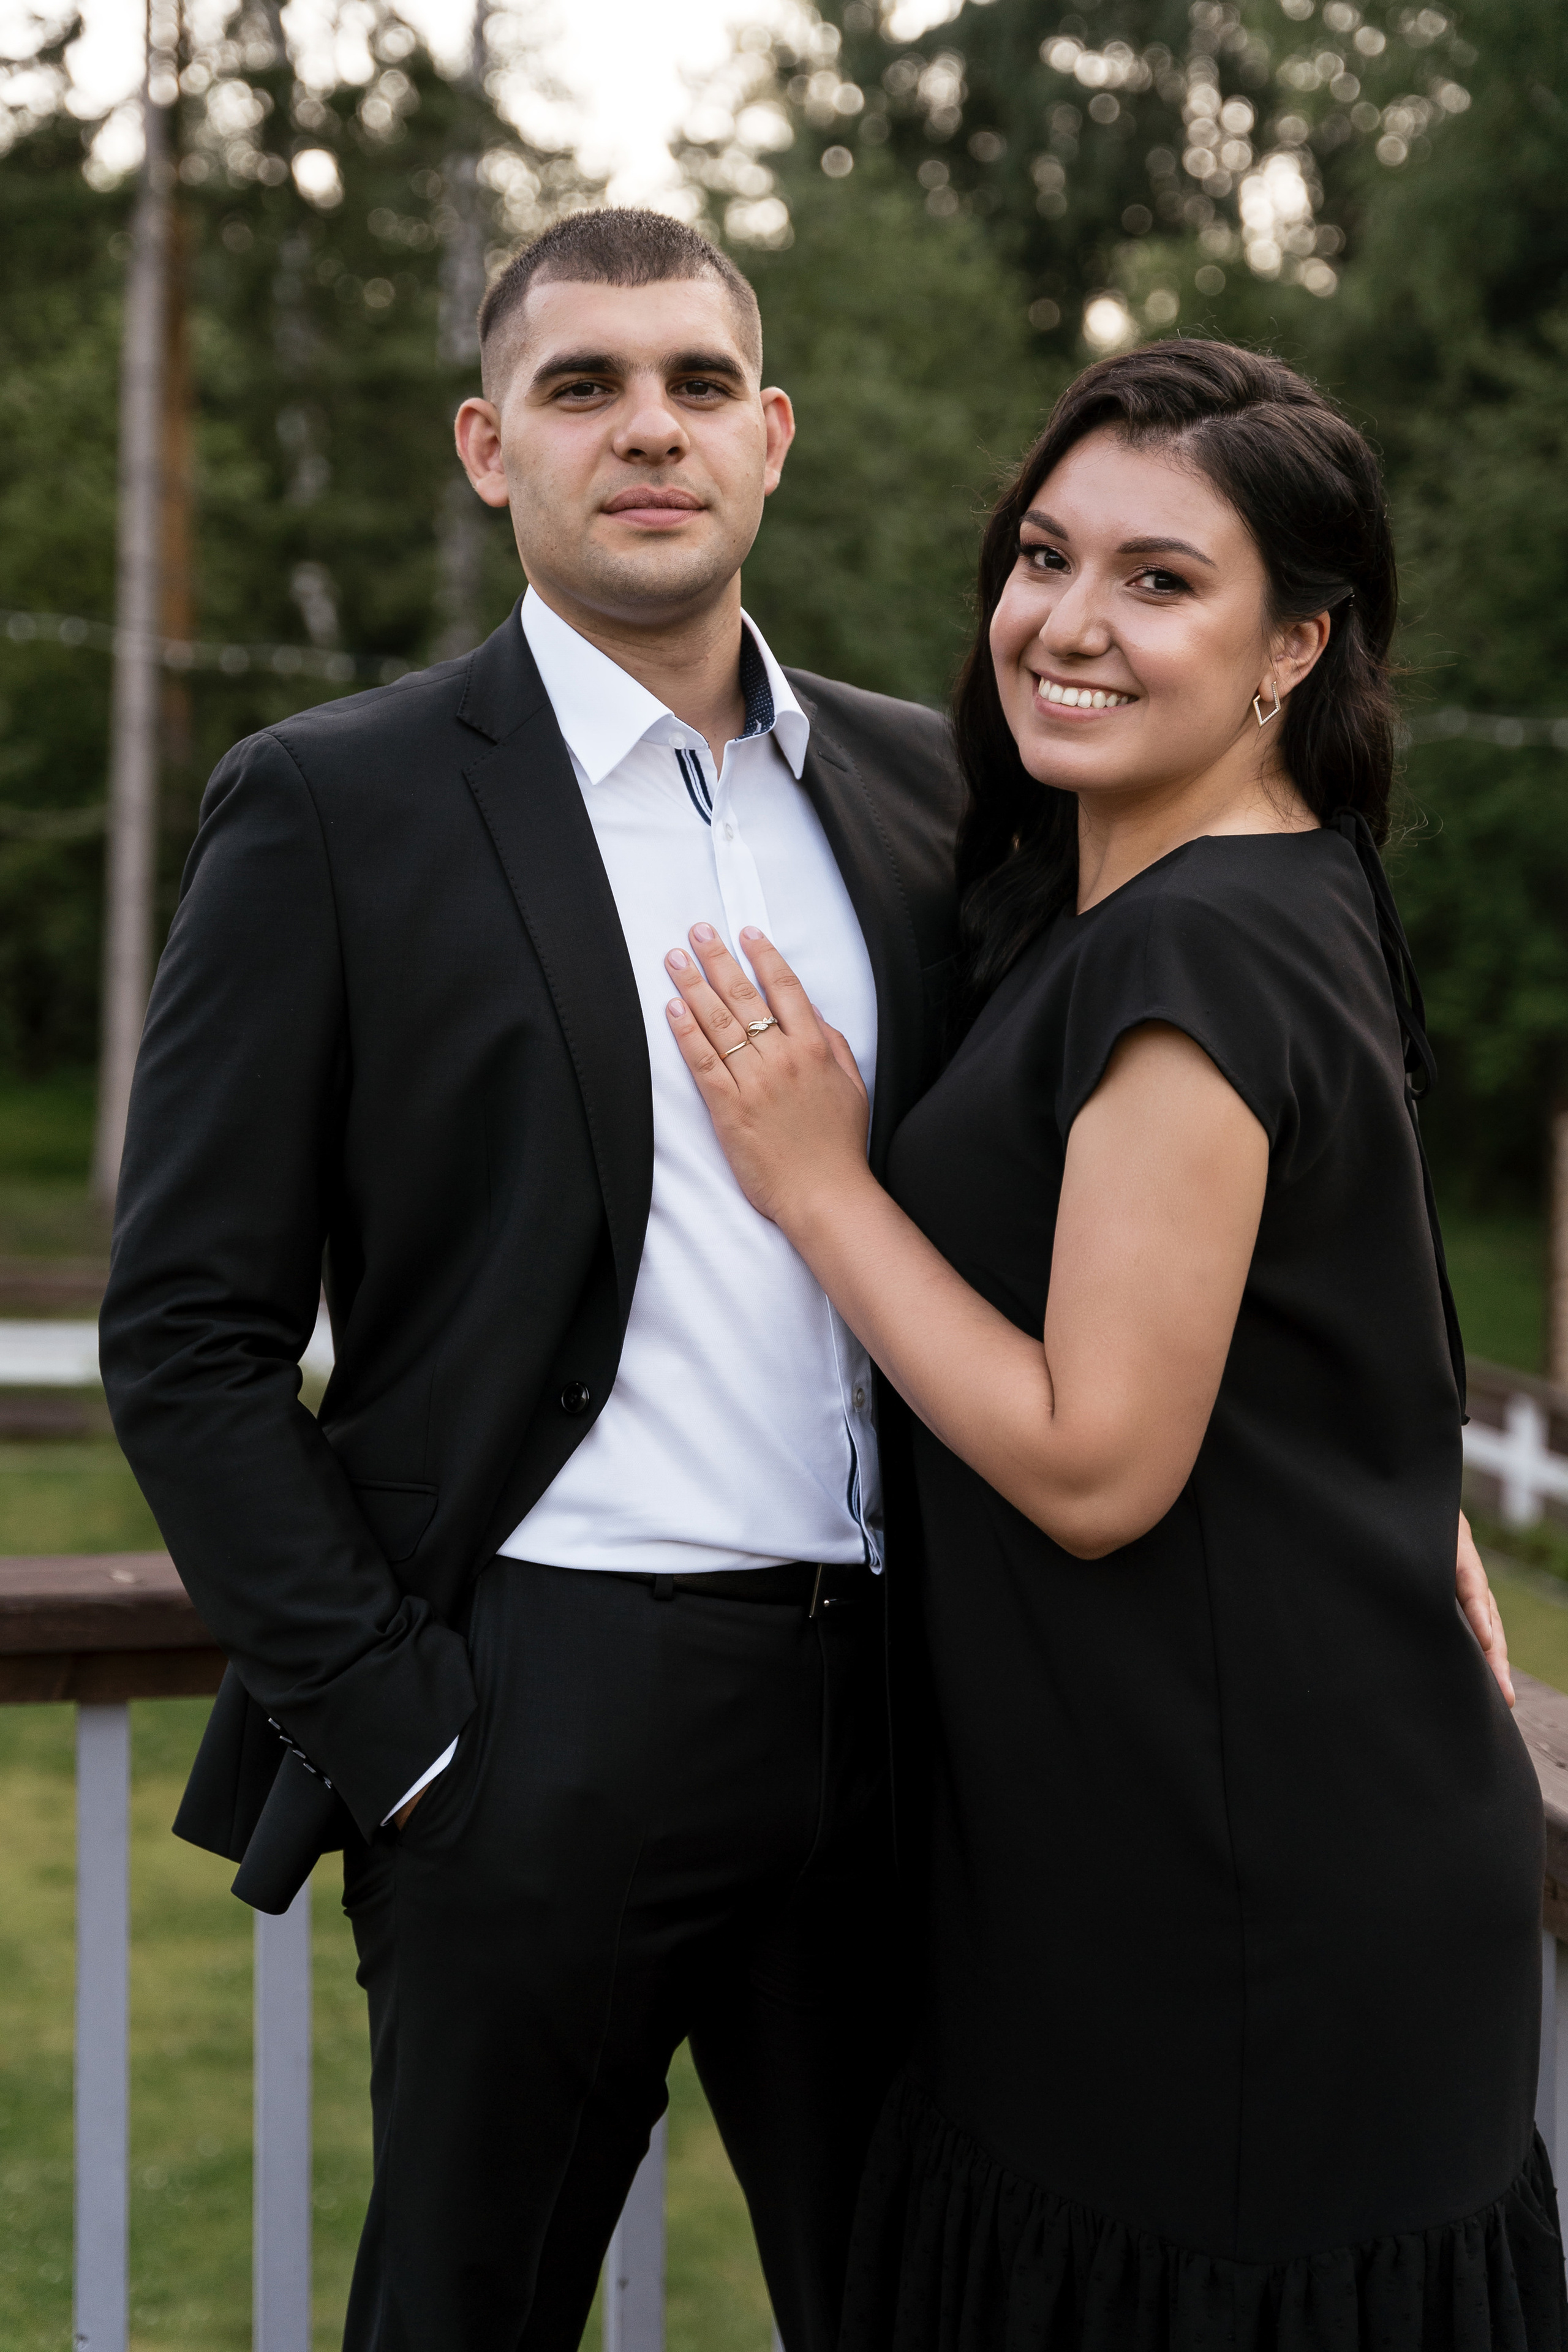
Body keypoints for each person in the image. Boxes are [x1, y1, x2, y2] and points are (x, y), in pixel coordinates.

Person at [97, 208, 962, 2352]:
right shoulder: (332, 806)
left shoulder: (935, 791)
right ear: (492, 449)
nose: (643, 429)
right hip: (527, 1721)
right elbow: (186, 1336)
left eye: (691, 386)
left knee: (933, 2305)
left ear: (770, 439)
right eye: (583, 387)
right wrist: (406, 1740)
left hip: (903, 1722)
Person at [658, 340, 1562, 2350]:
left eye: (1162, 581)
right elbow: (1338, 1283)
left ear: (1293, 647)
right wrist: (1411, 1498)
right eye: (1045, 556)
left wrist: (819, 1185)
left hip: (1237, 1903)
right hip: (1148, 1847)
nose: (1068, 624)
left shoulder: (1195, 949)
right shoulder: (1220, 890)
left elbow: (1095, 1463)